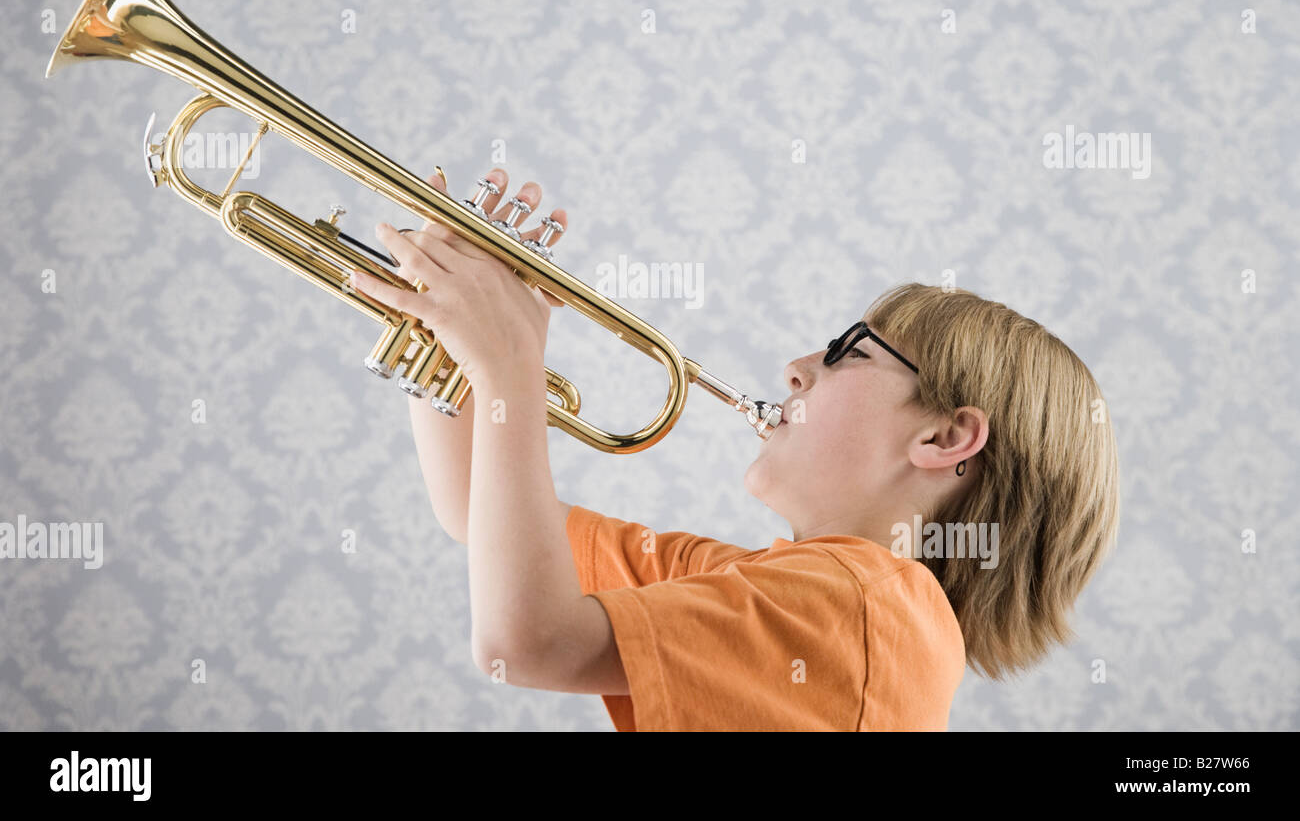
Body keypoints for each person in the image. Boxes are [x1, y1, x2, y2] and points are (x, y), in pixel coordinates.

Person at [349, 170, 1121, 732]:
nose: (796, 366)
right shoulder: (779, 593)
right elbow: (475, 513)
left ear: (944, 438)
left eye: (851, 352)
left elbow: (524, 646)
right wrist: (445, 325)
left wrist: (509, 362)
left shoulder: (862, 601)